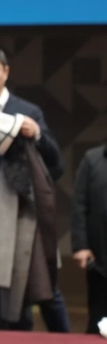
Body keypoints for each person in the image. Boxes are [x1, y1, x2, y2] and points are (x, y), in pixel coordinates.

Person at [0, 45, 69, 332]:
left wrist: (36, 134)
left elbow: (55, 166)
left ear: (5, 72)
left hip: (14, 219)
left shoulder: (27, 112)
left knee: (16, 296)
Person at [71, 142, 107, 334]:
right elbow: (79, 204)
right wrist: (80, 246)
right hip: (99, 256)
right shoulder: (92, 159)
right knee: (98, 319)